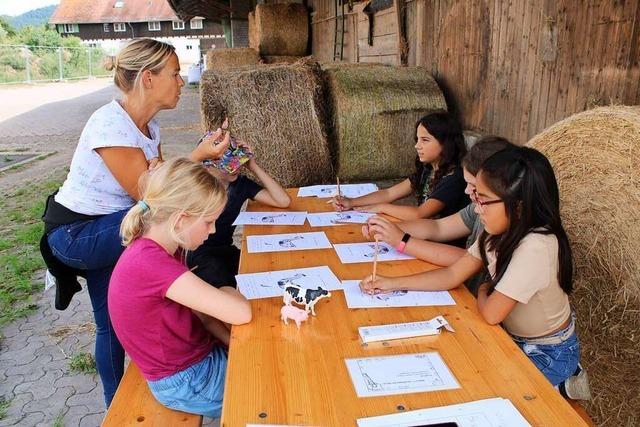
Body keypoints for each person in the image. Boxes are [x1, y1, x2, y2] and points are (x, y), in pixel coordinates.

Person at [40, 39, 230, 406]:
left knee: (109, 325)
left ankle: (120, 401)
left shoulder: (150, 127)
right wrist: (199, 155)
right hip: (78, 234)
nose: (181, 81)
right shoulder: (109, 124)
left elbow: (158, 183)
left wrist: (189, 163)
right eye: (174, 74)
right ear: (148, 78)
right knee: (158, 234)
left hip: (107, 225)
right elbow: (153, 196)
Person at [360, 147, 591, 400]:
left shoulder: (537, 245)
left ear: (518, 206)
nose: (477, 208)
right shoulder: (496, 231)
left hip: (548, 352)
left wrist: (484, 287)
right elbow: (451, 275)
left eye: (483, 199)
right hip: (515, 337)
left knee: (478, 392)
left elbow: (492, 313)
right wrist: (391, 283)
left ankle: (561, 386)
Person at [109, 158, 252, 417]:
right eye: (209, 222)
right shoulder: (153, 263)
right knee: (272, 389)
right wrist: (226, 288)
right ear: (181, 219)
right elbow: (241, 312)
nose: (213, 231)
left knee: (268, 359)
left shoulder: (158, 248)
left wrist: (230, 340)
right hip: (186, 381)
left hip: (190, 363)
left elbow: (204, 317)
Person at [361, 137, 513, 289]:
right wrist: (387, 229)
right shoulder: (479, 206)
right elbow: (438, 227)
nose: (467, 191)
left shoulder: (500, 217)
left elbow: (467, 260)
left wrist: (402, 240)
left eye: (474, 187)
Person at [187, 138, 290, 287]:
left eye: (238, 161)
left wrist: (253, 166)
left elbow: (283, 201)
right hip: (199, 252)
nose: (236, 168)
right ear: (207, 167)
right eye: (229, 165)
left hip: (226, 249)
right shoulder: (196, 186)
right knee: (224, 283)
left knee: (262, 269)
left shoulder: (240, 184)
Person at [331, 111, 468, 222]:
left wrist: (381, 207)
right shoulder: (428, 170)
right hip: (424, 236)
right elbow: (389, 193)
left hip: (442, 246)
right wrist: (351, 202)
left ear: (446, 143)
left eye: (425, 140)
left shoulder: (454, 178)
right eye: (417, 139)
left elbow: (420, 214)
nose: (417, 145)